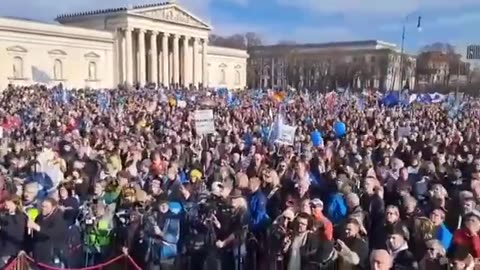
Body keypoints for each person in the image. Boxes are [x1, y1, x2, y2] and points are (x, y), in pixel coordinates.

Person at [28, 197, 67, 266]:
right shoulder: (39, 217)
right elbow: (34, 234)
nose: (43, 208)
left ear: (53, 207)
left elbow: (52, 233)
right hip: (38, 254)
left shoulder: (58, 219)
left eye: (46, 207)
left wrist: (37, 227)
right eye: (42, 206)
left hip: (51, 255)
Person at [0, 195, 26, 268]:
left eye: (8, 203)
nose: (6, 206)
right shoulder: (5, 216)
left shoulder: (21, 217)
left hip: (9, 252)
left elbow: (16, 233)